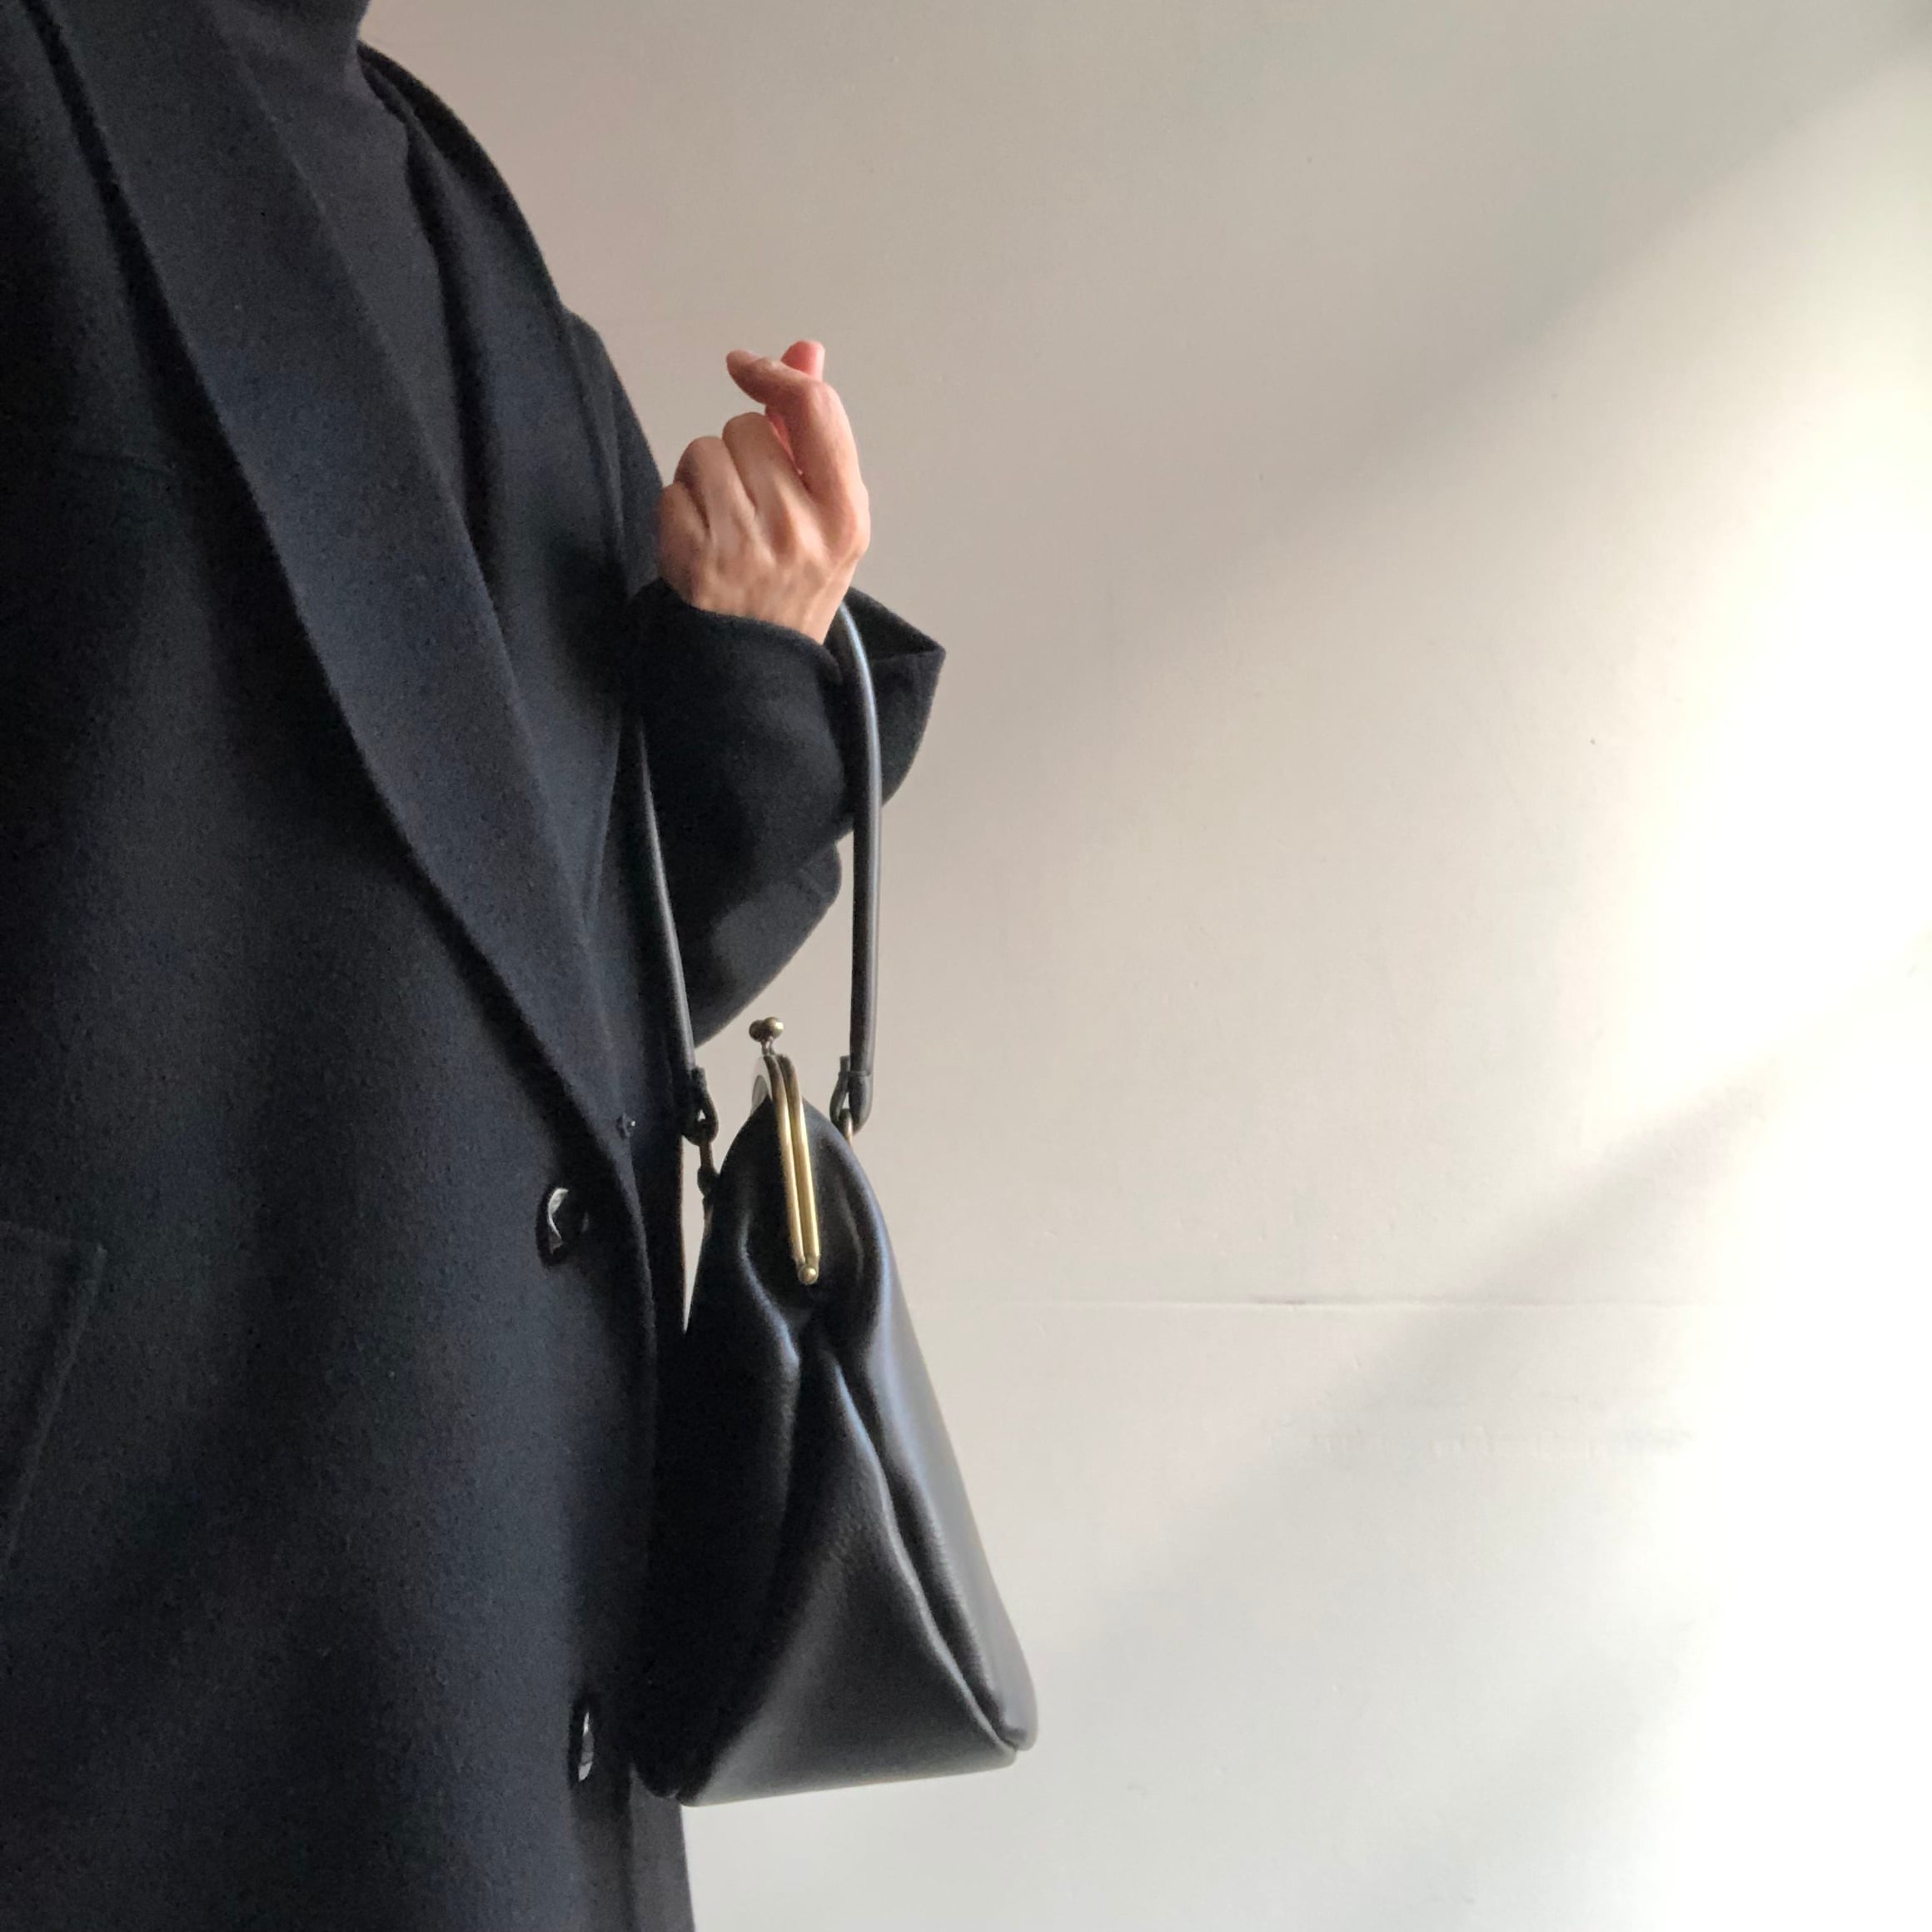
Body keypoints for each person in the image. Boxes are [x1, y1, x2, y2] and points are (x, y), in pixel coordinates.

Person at [0, 0, 945, 1927]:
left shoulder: (453, 217)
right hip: (135, 1684)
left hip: (502, 1651)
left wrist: (751, 652)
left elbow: (546, 979)